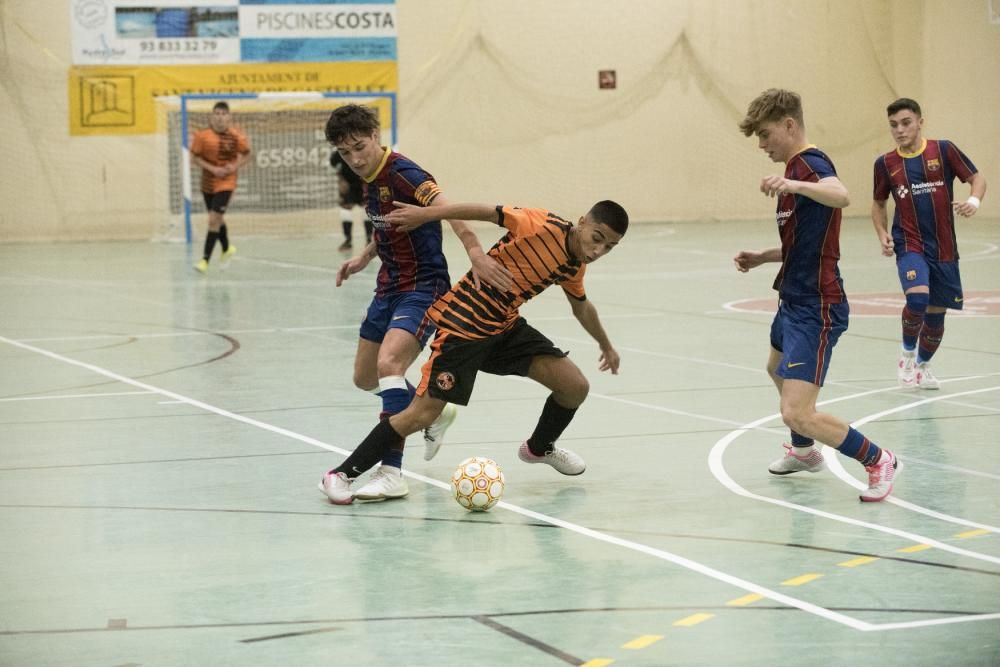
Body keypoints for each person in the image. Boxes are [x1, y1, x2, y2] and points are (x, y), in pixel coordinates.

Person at [319, 198, 629, 506]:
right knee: (423, 413)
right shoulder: (540, 224)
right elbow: (482, 211)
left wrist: (606, 345)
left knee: (575, 387)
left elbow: (581, 307)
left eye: (609, 247)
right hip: (464, 325)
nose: (598, 251)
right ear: (582, 222)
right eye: (597, 239)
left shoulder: (575, 265)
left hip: (504, 327)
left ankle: (538, 448)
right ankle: (341, 475)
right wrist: (427, 214)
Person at [323, 104, 513, 502]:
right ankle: (436, 411)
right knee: (365, 378)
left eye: (360, 147)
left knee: (389, 364)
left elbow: (448, 210)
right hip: (388, 285)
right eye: (345, 153)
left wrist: (475, 251)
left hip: (423, 286)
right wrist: (364, 256)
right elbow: (386, 225)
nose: (355, 159)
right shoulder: (368, 178)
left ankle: (391, 472)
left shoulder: (407, 173)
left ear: (376, 135)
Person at [733, 88, 900, 502]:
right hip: (791, 298)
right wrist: (763, 256)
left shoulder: (809, 163)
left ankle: (879, 459)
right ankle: (805, 453)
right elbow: (805, 242)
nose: (762, 144)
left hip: (816, 304)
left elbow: (841, 195)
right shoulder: (797, 171)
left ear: (789, 125)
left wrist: (792, 181)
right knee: (775, 369)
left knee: (797, 412)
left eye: (766, 134)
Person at [871, 98, 987, 390]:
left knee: (936, 315)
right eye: (893, 125)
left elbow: (976, 178)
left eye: (906, 122)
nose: (899, 130)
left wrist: (973, 200)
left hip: (945, 247)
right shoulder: (885, 163)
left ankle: (923, 366)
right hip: (909, 242)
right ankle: (906, 356)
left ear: (920, 122)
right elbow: (878, 201)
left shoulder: (943, 150)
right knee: (918, 299)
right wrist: (882, 232)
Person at [190, 101, 251, 273]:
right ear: (211, 117)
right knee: (217, 219)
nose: (220, 118)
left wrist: (234, 166)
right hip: (208, 183)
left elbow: (247, 154)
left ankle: (205, 260)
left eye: (223, 114)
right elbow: (195, 158)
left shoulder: (236, 136)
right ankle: (226, 248)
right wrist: (213, 169)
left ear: (229, 117)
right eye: (217, 114)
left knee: (213, 219)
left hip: (226, 182)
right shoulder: (203, 137)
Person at [330, 149, 373, 251]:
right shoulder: (339, 152)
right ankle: (348, 240)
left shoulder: (363, 148)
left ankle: (369, 239)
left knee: (366, 208)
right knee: (345, 209)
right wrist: (340, 181)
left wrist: (368, 181)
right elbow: (336, 166)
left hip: (363, 181)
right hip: (347, 184)